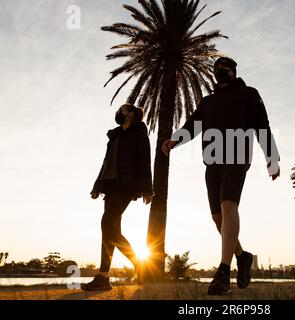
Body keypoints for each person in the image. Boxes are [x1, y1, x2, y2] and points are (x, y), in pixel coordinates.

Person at [162, 56, 280, 295]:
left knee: (228, 206)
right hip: (213, 162)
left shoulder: (249, 94)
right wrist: (175, 139)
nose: (220, 71)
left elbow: (262, 125)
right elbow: (193, 125)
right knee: (218, 218)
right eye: (216, 68)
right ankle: (242, 256)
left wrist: (272, 157)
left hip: (237, 156)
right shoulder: (208, 102)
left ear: (234, 71)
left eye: (225, 68)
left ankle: (224, 272)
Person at [81, 103, 154, 291]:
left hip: (126, 185)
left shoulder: (139, 133)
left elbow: (145, 160)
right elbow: (106, 162)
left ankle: (132, 265)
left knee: (107, 223)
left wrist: (148, 188)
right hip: (110, 184)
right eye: (119, 110)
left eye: (124, 109)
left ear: (131, 113)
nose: (120, 111)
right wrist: (97, 185)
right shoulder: (114, 135)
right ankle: (105, 277)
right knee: (110, 230)